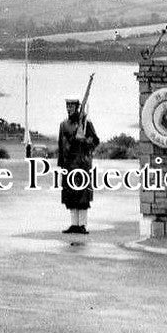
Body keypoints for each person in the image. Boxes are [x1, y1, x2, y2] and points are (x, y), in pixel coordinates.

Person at [57, 97, 100, 234]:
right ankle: (74, 224)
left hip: (82, 164)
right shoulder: (63, 125)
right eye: (67, 106)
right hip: (69, 164)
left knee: (82, 195)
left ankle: (82, 224)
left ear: (77, 107)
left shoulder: (87, 124)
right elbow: (61, 145)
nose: (69, 109)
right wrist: (61, 164)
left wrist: (84, 140)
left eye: (71, 106)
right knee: (70, 195)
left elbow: (95, 141)